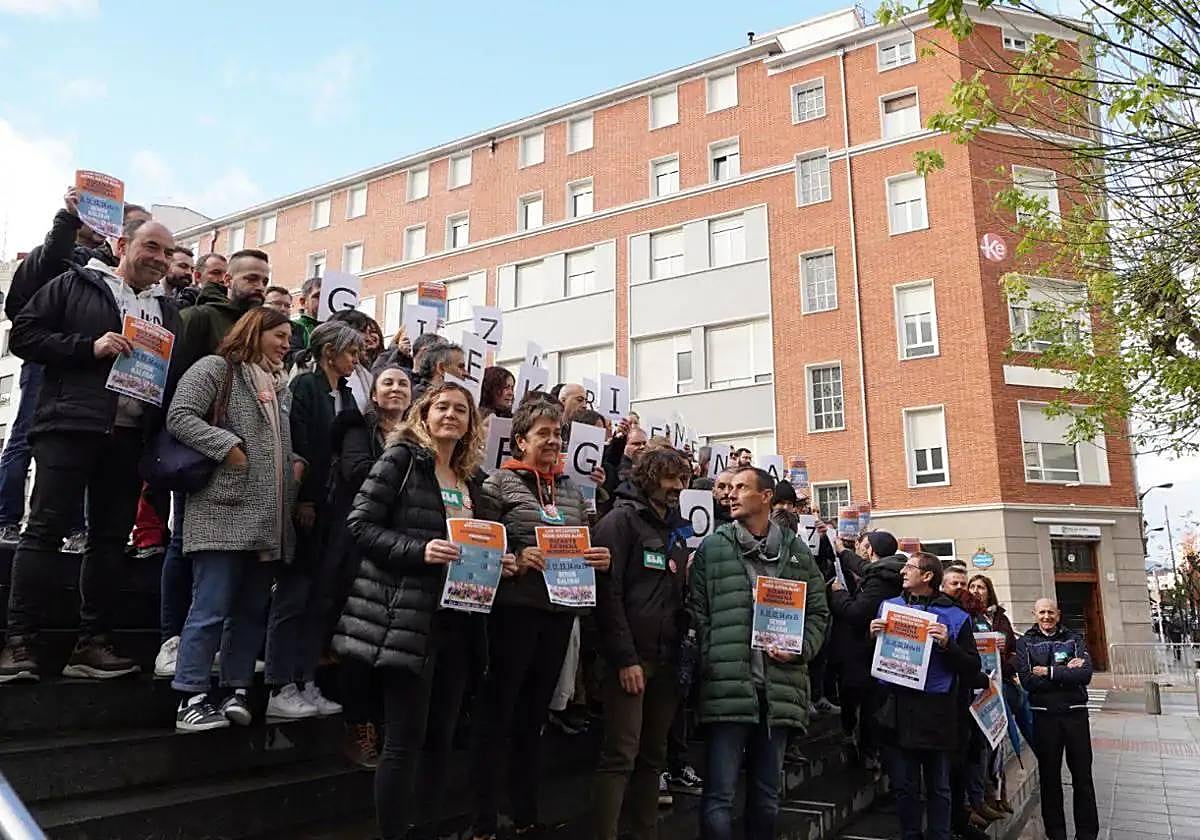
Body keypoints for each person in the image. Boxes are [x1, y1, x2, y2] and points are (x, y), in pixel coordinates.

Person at [0, 219, 184, 683]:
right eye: (151, 247)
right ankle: (19, 641)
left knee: (108, 539)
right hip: (71, 425)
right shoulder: (75, 284)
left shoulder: (168, 310)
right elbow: (22, 335)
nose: (160, 259)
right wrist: (90, 346)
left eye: (168, 252)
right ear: (123, 245)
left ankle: (92, 643)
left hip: (128, 437)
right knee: (44, 529)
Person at [338, 381, 514, 840]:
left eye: (461, 409)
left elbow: (478, 543)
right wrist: (420, 550)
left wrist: (502, 560)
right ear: (424, 414)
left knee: (441, 740)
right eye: (442, 407)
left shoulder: (473, 481)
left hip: (459, 621)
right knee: (403, 742)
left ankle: (429, 831)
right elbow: (360, 524)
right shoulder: (401, 459)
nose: (451, 415)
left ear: (472, 423)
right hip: (405, 619)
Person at [470, 398, 611, 840]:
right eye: (544, 434)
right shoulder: (498, 485)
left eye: (558, 435)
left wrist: (597, 555)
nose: (553, 442)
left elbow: (586, 536)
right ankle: (484, 818)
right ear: (520, 441)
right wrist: (515, 556)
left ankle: (526, 812)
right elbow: (482, 548)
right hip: (512, 612)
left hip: (558, 613)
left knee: (534, 716)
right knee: (500, 713)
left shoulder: (571, 489)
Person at [165, 307, 300, 731]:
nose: (285, 345)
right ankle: (191, 695)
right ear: (254, 331)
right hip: (222, 510)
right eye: (278, 335)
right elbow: (180, 416)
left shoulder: (279, 387)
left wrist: (294, 466)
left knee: (250, 611)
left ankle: (236, 689)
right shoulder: (215, 368)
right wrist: (228, 447)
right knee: (209, 608)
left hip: (266, 518)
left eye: (288, 338)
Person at [689, 467, 829, 840]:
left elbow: (819, 613)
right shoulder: (714, 547)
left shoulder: (796, 552)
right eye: (729, 488)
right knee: (719, 796)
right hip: (727, 688)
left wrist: (799, 648)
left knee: (767, 798)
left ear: (766, 496)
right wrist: (713, 657)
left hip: (779, 691)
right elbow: (697, 612)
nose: (731, 494)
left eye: (741, 488)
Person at [0, 192, 145, 548]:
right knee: (27, 438)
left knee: (91, 447)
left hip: (98, 381)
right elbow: (25, 311)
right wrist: (66, 220)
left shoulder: (120, 275)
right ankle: (7, 519)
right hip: (53, 366)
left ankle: (78, 528)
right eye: (132, 227)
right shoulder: (60, 259)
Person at [154, 249, 270, 678]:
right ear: (228, 280)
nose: (258, 287)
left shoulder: (259, 326)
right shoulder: (202, 317)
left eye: (265, 279)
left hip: (236, 472)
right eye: (251, 278)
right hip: (199, 459)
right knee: (182, 543)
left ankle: (208, 647)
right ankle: (172, 639)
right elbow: (180, 388)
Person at [592, 445, 691, 840]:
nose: (678, 487)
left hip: (667, 661)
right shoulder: (620, 522)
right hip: (631, 661)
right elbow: (608, 594)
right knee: (620, 756)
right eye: (670, 479)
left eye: (682, 479)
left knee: (654, 758)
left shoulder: (676, 531)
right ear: (649, 477)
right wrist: (624, 658)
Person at [266, 320, 363, 719]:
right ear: (330, 352)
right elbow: (302, 444)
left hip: (336, 510)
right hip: (310, 504)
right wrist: (304, 499)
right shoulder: (306, 387)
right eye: (351, 353)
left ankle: (306, 680)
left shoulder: (344, 394)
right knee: (293, 597)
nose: (356, 361)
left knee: (320, 599)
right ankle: (279, 684)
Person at [330, 365, 413, 768]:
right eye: (388, 383)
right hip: (361, 549)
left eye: (403, 384)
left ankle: (383, 725)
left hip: (403, 553)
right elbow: (356, 472)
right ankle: (357, 726)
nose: (396, 389)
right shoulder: (357, 430)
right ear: (374, 395)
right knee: (360, 643)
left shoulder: (422, 440)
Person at [869, 552, 983, 840]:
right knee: (904, 785)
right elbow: (873, 659)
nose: (903, 572)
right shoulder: (889, 607)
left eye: (909, 567)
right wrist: (872, 636)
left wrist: (948, 644)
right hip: (896, 708)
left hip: (937, 711)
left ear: (928, 576)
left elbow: (972, 667)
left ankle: (939, 835)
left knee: (939, 786)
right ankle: (910, 834)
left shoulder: (956, 617)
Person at [1016, 599, 1099, 840]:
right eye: (1042, 612)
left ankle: (1087, 834)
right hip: (1044, 717)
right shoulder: (1026, 642)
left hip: (1075, 714)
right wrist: (1066, 672)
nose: (1046, 616)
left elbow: (1085, 674)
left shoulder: (1074, 639)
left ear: (1058, 614)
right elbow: (1029, 681)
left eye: (1050, 612)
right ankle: (1056, 834)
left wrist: (1048, 671)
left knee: (1083, 778)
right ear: (1035, 614)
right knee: (1049, 779)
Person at [828, 531, 903, 769]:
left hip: (866, 650)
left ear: (870, 550)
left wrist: (838, 595)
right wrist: (841, 551)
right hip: (880, 651)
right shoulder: (892, 570)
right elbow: (862, 566)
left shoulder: (880, 581)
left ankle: (867, 750)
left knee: (866, 701)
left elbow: (856, 613)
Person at [290, 276, 321, 351]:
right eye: (318, 296)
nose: (323, 300)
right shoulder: (294, 327)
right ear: (303, 302)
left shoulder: (342, 327)